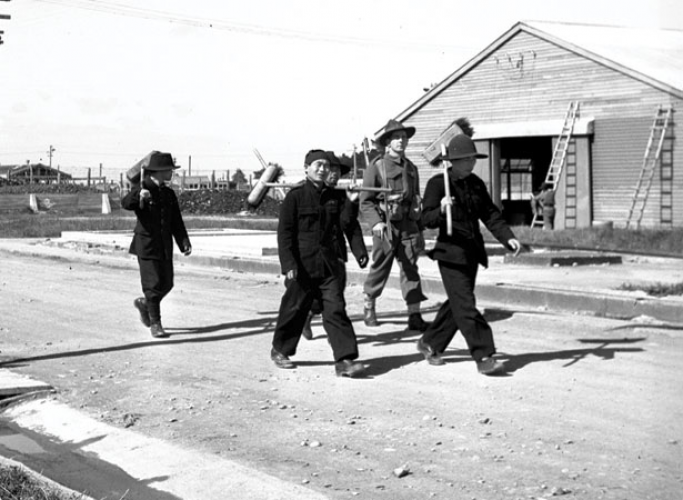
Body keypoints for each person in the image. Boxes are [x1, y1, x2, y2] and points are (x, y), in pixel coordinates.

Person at [417, 134, 521, 375]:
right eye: (466, 159)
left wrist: (508, 238)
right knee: (465, 305)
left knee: (458, 304)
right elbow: (424, 219)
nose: (471, 163)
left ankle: (430, 342)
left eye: (473, 158)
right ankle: (484, 355)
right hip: (450, 254)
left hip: (471, 254)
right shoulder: (438, 183)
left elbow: (491, 215)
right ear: (453, 160)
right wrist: (442, 210)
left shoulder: (476, 184)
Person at [270, 149, 365, 378]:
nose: (322, 169)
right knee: (295, 308)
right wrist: (289, 265)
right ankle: (280, 349)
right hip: (302, 266)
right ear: (306, 168)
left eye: (326, 166)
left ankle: (344, 360)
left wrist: (352, 204)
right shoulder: (295, 197)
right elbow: (285, 234)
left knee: (335, 309)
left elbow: (347, 224)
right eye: (317, 165)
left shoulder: (337, 197)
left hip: (330, 265)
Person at [359, 118, 428, 331]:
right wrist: (376, 223)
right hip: (386, 225)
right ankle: (369, 304)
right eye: (396, 137)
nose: (401, 141)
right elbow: (366, 201)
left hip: (408, 225)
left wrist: (420, 225)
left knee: (410, 269)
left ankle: (414, 314)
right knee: (380, 267)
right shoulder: (377, 167)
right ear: (387, 142)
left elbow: (415, 197)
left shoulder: (412, 168)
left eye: (404, 137)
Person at [121, 152, 192, 338]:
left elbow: (176, 220)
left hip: (164, 245)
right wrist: (138, 196)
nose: (172, 173)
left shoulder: (168, 193)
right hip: (146, 245)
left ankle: (145, 304)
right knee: (152, 286)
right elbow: (126, 203)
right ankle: (156, 323)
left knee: (167, 283)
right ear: (159, 171)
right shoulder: (142, 188)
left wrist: (183, 242)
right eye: (169, 170)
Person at [301, 152, 369, 340]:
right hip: (312, 256)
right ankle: (308, 317)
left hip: (335, 253)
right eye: (331, 169)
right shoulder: (307, 193)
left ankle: (335, 332)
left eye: (338, 171)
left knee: (336, 295)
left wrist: (360, 251)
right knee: (317, 296)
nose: (334, 174)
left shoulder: (341, 196)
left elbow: (349, 224)